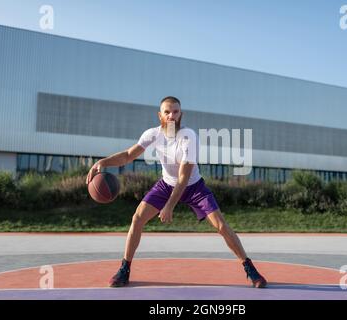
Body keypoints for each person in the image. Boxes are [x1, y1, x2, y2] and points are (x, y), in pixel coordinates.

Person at [86, 96, 267, 288]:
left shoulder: (189, 136)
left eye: (175, 111)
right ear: (160, 115)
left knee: (221, 226)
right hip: (166, 185)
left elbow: (183, 177)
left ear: (181, 114)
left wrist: (169, 205)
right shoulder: (153, 134)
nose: (171, 115)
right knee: (137, 218)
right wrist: (102, 162)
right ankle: (124, 269)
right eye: (167, 112)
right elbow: (128, 155)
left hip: (193, 187)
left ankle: (249, 268)